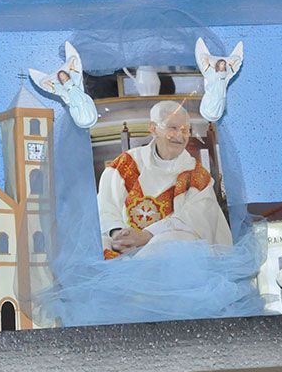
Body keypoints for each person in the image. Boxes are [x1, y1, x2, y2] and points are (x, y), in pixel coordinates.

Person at [98, 100, 232, 256]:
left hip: (165, 248)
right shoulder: (126, 164)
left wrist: (147, 235)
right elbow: (106, 205)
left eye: (185, 130)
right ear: (153, 128)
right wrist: (118, 234)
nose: (180, 136)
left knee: (175, 242)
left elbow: (198, 220)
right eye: (173, 128)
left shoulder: (196, 175)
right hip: (123, 244)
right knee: (98, 245)